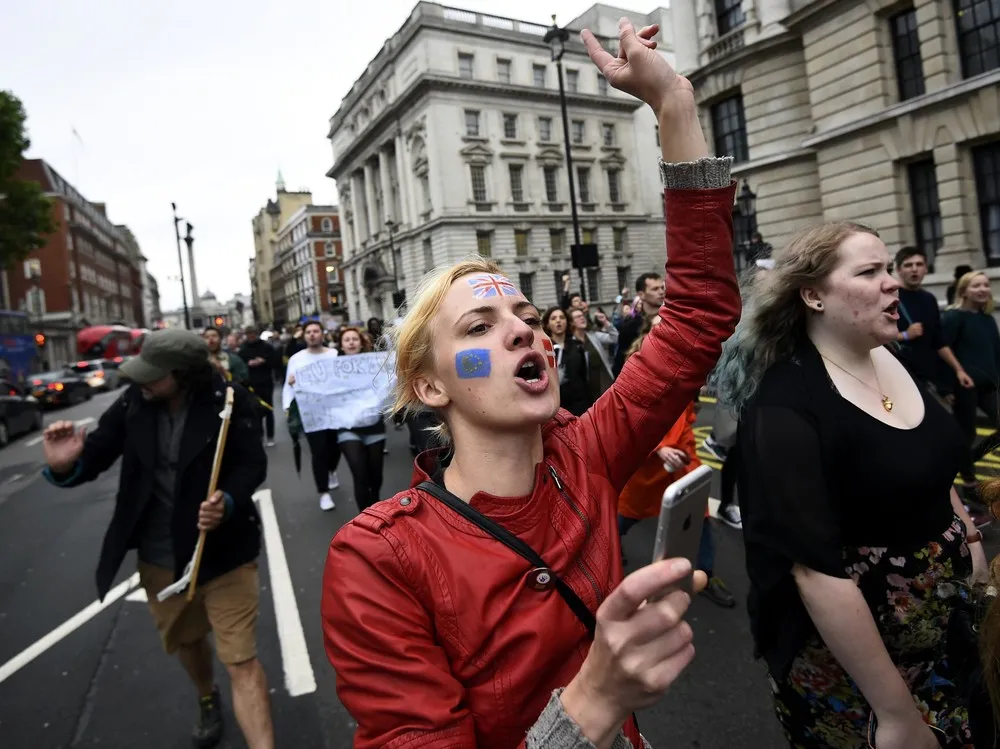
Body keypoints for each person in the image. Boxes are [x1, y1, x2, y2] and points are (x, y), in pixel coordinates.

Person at [321, 19, 741, 748]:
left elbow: (700, 310)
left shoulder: (588, 454)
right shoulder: (376, 560)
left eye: (523, 313)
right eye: (478, 327)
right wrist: (595, 697)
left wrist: (673, 103)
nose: (524, 330)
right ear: (429, 387)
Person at [714, 222, 988, 747]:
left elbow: (931, 462)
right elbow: (815, 572)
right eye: (870, 271)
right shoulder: (784, 404)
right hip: (860, 672)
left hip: (944, 638)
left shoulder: (886, 355)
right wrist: (897, 715)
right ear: (813, 295)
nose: (892, 283)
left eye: (889, 268)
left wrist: (970, 539)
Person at [39, 328, 273, 749]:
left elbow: (251, 464)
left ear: (183, 374)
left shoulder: (229, 401)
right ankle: (206, 696)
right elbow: (94, 456)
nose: (142, 381)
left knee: (240, 658)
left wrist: (230, 501)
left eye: (154, 375)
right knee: (188, 641)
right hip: (160, 556)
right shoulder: (134, 404)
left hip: (224, 553)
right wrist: (63, 466)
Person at [617, 321, 735, 608]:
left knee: (701, 519)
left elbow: (688, 415)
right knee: (623, 517)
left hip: (682, 460)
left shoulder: (682, 369)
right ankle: (603, 551)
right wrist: (658, 448)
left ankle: (705, 574)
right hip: (649, 466)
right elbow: (626, 421)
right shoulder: (636, 372)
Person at [943, 270, 1000, 486]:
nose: (983, 289)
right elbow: (942, 348)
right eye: (977, 286)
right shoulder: (953, 317)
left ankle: (969, 460)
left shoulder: (987, 319)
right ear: (964, 291)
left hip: (988, 385)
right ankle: (968, 479)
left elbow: (995, 351)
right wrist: (949, 383)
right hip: (964, 386)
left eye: (986, 285)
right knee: (967, 433)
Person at [893, 246, 971, 395]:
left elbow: (938, 341)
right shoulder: (891, 298)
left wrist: (959, 370)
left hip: (928, 378)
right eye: (908, 265)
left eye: (919, 264)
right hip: (902, 375)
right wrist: (905, 335)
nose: (914, 269)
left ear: (926, 269)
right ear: (899, 270)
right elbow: (875, 338)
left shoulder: (929, 299)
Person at [283, 319, 341, 511]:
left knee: (334, 447)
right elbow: (288, 385)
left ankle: (332, 469)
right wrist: (287, 405)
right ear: (305, 335)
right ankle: (323, 492)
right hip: (311, 413)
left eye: (316, 331)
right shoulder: (296, 359)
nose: (312, 335)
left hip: (334, 410)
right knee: (318, 451)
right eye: (309, 332)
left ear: (322, 334)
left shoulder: (334, 354)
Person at [332, 325, 386, 512]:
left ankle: (376, 506)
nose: (351, 342)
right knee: (359, 474)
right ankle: (365, 518)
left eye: (354, 339)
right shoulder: (331, 369)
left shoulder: (375, 364)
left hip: (373, 426)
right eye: (347, 340)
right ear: (341, 345)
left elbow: (386, 384)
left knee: (376, 476)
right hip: (348, 428)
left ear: (361, 343)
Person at [613, 271, 666, 376]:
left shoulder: (671, 319)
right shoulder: (630, 327)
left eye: (662, 288)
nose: (661, 292)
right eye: (655, 289)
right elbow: (620, 365)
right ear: (641, 294)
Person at [238, 325, 279, 447]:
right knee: (255, 411)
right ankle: (260, 435)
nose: (251, 336)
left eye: (253, 333)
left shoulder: (266, 347)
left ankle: (270, 436)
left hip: (266, 381)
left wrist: (264, 361)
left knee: (269, 409)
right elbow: (240, 365)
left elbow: (274, 361)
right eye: (249, 333)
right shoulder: (243, 349)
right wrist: (248, 364)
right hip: (251, 384)